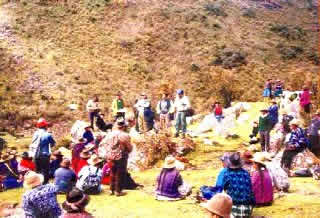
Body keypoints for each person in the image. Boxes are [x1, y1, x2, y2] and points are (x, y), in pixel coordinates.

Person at [221, 152, 255, 218]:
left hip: (234, 208)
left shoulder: (227, 173)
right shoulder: (246, 173)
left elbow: (223, 188)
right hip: (248, 208)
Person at [105, 117, 133, 196]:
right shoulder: (124, 135)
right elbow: (129, 147)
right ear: (123, 126)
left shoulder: (109, 134)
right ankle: (118, 191)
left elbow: (105, 144)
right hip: (121, 156)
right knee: (120, 173)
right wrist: (129, 151)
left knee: (112, 172)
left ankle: (111, 190)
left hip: (110, 156)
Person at [32, 118, 56, 184]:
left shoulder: (35, 134)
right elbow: (53, 143)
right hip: (44, 155)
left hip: (36, 155)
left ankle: (37, 184)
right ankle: (45, 184)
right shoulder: (47, 134)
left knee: (38, 171)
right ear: (45, 126)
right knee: (45, 171)